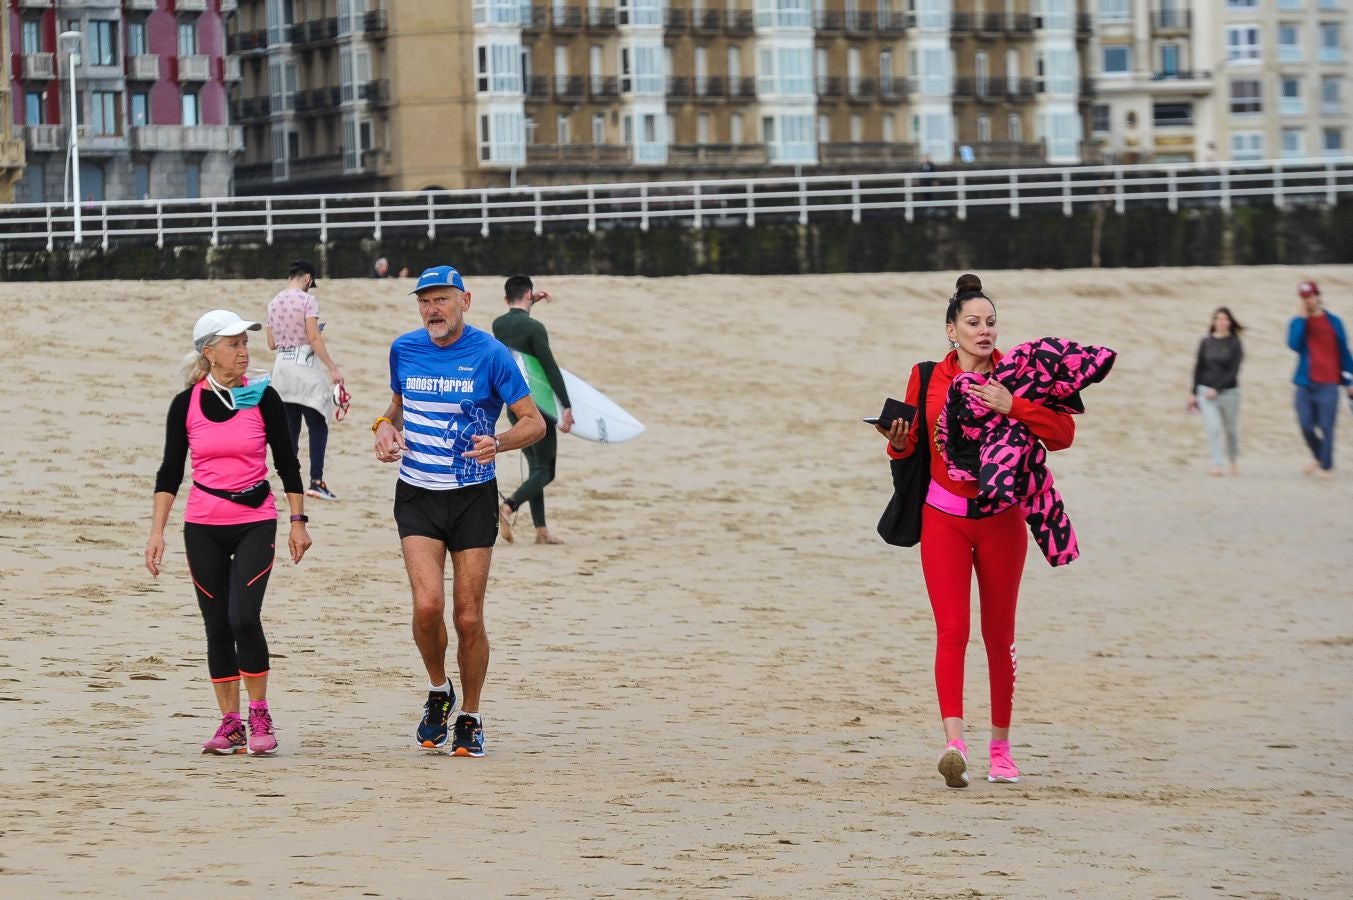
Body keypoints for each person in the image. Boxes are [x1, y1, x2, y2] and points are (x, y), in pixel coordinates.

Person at [877, 274, 1077, 789]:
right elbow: (909, 448)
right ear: (952, 330)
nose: (984, 330)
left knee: (998, 636)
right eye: (973, 322)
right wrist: (896, 442)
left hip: (1001, 521)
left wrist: (1014, 406)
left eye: (991, 322)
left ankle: (1002, 751)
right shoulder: (926, 377)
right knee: (952, 632)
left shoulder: (1019, 374)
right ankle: (955, 747)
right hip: (941, 518)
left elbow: (1063, 435)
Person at [373, 265, 546, 757]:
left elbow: (534, 423)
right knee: (427, 606)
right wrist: (382, 425)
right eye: (424, 301)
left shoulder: (491, 354)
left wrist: (500, 442)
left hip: (472, 496)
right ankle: (438, 690)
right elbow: (397, 404)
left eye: (442, 300)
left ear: (464, 302)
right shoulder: (404, 349)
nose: (433, 310)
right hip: (417, 493)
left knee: (468, 617)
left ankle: (470, 714)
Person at [144, 309, 312, 756]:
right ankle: (230, 724)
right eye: (234, 344)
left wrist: (297, 522)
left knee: (243, 617)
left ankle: (259, 714)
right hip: (203, 526)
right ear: (209, 352)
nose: (244, 351)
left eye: (245, 342)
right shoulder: (185, 405)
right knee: (216, 625)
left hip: (255, 520)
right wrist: (157, 532)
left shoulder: (264, 397)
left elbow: (288, 463)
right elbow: (169, 472)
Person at [491, 275, 575, 545]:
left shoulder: (498, 325)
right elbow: (548, 367)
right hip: (539, 406)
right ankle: (508, 507)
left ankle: (541, 531)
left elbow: (517, 328)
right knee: (546, 470)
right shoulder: (535, 328)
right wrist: (566, 405)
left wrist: (530, 301)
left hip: (514, 405)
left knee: (535, 468)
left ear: (506, 298)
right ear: (529, 293)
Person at [266, 259, 344, 501]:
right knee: (318, 422)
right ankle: (316, 481)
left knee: (290, 427)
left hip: (281, 368)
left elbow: (271, 343)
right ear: (308, 278)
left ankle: (291, 484)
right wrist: (333, 368)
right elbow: (313, 338)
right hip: (304, 366)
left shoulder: (273, 303)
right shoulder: (307, 300)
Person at [1288, 280, 1353, 477]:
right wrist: (1301, 319)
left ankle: (1326, 467)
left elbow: (1344, 352)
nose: (1308, 300)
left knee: (1327, 426)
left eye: (1310, 296)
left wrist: (1350, 380)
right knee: (1305, 425)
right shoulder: (1298, 322)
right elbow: (1293, 345)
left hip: (1329, 383)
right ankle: (1319, 456)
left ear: (1318, 297)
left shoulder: (1334, 322)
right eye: (1304, 298)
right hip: (1305, 382)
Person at [1187, 307, 1244, 476]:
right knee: (1213, 427)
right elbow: (1199, 367)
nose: (1221, 322)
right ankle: (1216, 463)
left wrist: (1217, 389)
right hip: (1205, 392)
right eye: (1218, 319)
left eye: (1225, 319)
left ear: (1230, 322)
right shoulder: (1206, 342)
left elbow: (1233, 371)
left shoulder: (1235, 343)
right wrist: (1193, 392)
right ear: (1214, 322)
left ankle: (1232, 460)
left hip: (1230, 393)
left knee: (1231, 430)